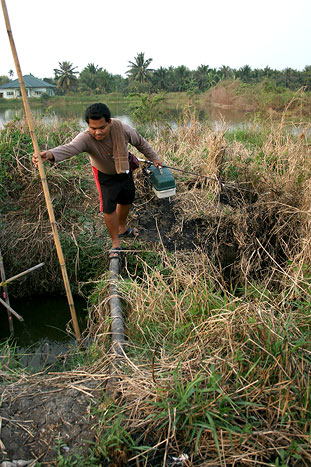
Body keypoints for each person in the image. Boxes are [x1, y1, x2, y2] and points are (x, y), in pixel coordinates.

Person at [32, 103, 163, 258]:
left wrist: (154, 158)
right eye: (93, 128)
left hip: (123, 169)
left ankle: (121, 227)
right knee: (108, 207)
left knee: (127, 199)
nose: (97, 132)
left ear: (109, 122)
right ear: (88, 125)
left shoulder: (123, 129)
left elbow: (140, 142)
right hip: (104, 174)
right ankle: (115, 242)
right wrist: (49, 154)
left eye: (101, 127)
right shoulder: (86, 138)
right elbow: (70, 148)